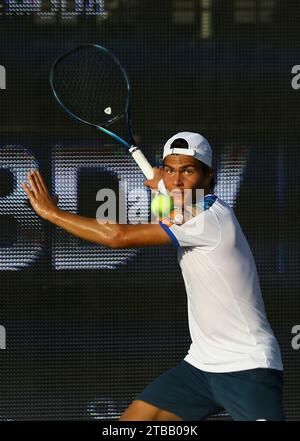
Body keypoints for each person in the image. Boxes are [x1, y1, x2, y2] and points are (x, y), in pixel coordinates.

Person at [21, 132, 285, 421]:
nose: (177, 180)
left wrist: (52, 213)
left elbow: (117, 237)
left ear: (209, 176)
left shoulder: (206, 219)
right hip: (201, 365)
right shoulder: (190, 203)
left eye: (188, 171)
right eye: (171, 169)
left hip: (247, 366)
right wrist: (162, 182)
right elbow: (174, 193)